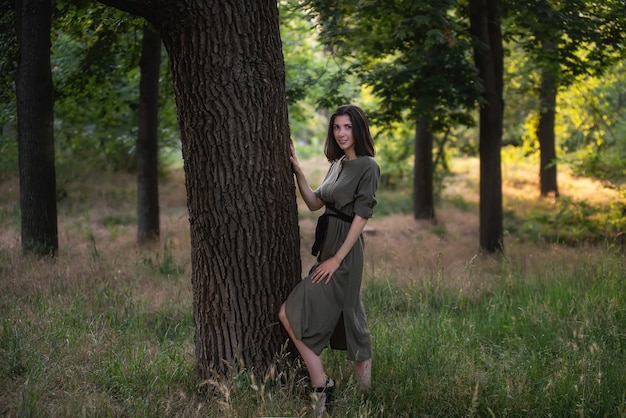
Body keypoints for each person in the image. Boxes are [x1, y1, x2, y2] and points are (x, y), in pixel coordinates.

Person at [278, 104, 380, 412]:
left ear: (358, 129)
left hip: (345, 252)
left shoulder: (368, 166)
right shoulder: (337, 164)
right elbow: (313, 203)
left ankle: (332, 388)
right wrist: (297, 170)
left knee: (297, 313)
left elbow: (362, 216)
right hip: (328, 247)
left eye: (347, 127)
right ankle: (330, 386)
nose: (341, 133)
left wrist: (337, 259)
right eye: (337, 127)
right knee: (347, 315)